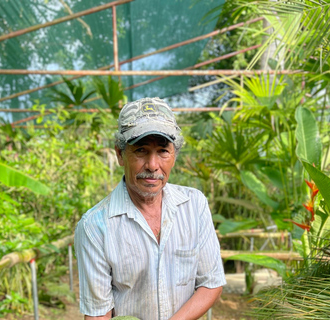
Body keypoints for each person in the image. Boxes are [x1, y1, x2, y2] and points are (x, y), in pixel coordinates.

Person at [75, 97, 226, 320]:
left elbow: (211, 283)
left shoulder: (194, 205)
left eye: (163, 151)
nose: (153, 165)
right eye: (141, 151)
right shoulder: (95, 226)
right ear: (120, 154)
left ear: (174, 155)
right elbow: (99, 314)